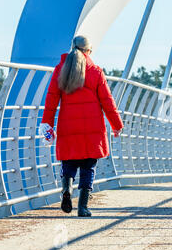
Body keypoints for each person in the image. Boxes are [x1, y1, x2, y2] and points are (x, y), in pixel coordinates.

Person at [40, 35, 124, 217]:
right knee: (88, 167)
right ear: (89, 51)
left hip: (68, 126)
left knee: (69, 163)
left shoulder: (60, 70)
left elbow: (51, 99)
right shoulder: (95, 71)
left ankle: (66, 191)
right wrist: (116, 125)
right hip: (92, 128)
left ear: (72, 48)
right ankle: (83, 207)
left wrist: (47, 124)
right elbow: (107, 102)